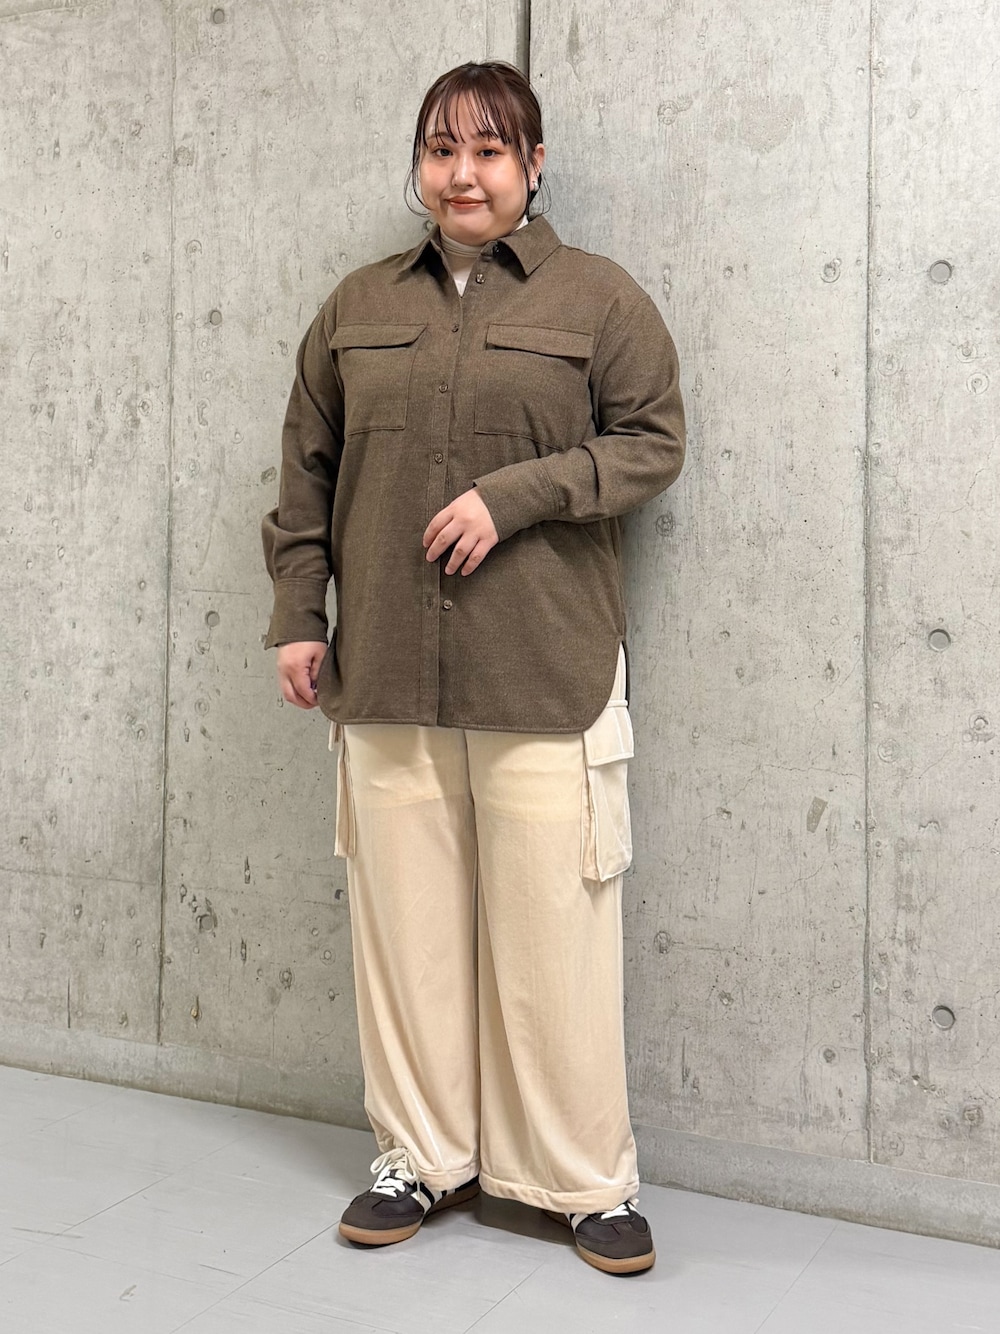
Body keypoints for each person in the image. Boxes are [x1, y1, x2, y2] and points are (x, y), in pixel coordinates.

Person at [261, 60, 684, 1276]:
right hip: (386, 668)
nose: (462, 173)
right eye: (442, 148)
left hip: (543, 671)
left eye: (490, 150)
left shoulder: (601, 300)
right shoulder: (353, 307)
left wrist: (518, 493)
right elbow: (305, 473)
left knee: (558, 939)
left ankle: (583, 1181)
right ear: (419, 164)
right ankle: (418, 1155)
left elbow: (652, 442)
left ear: (533, 165)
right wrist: (298, 614)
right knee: (404, 937)